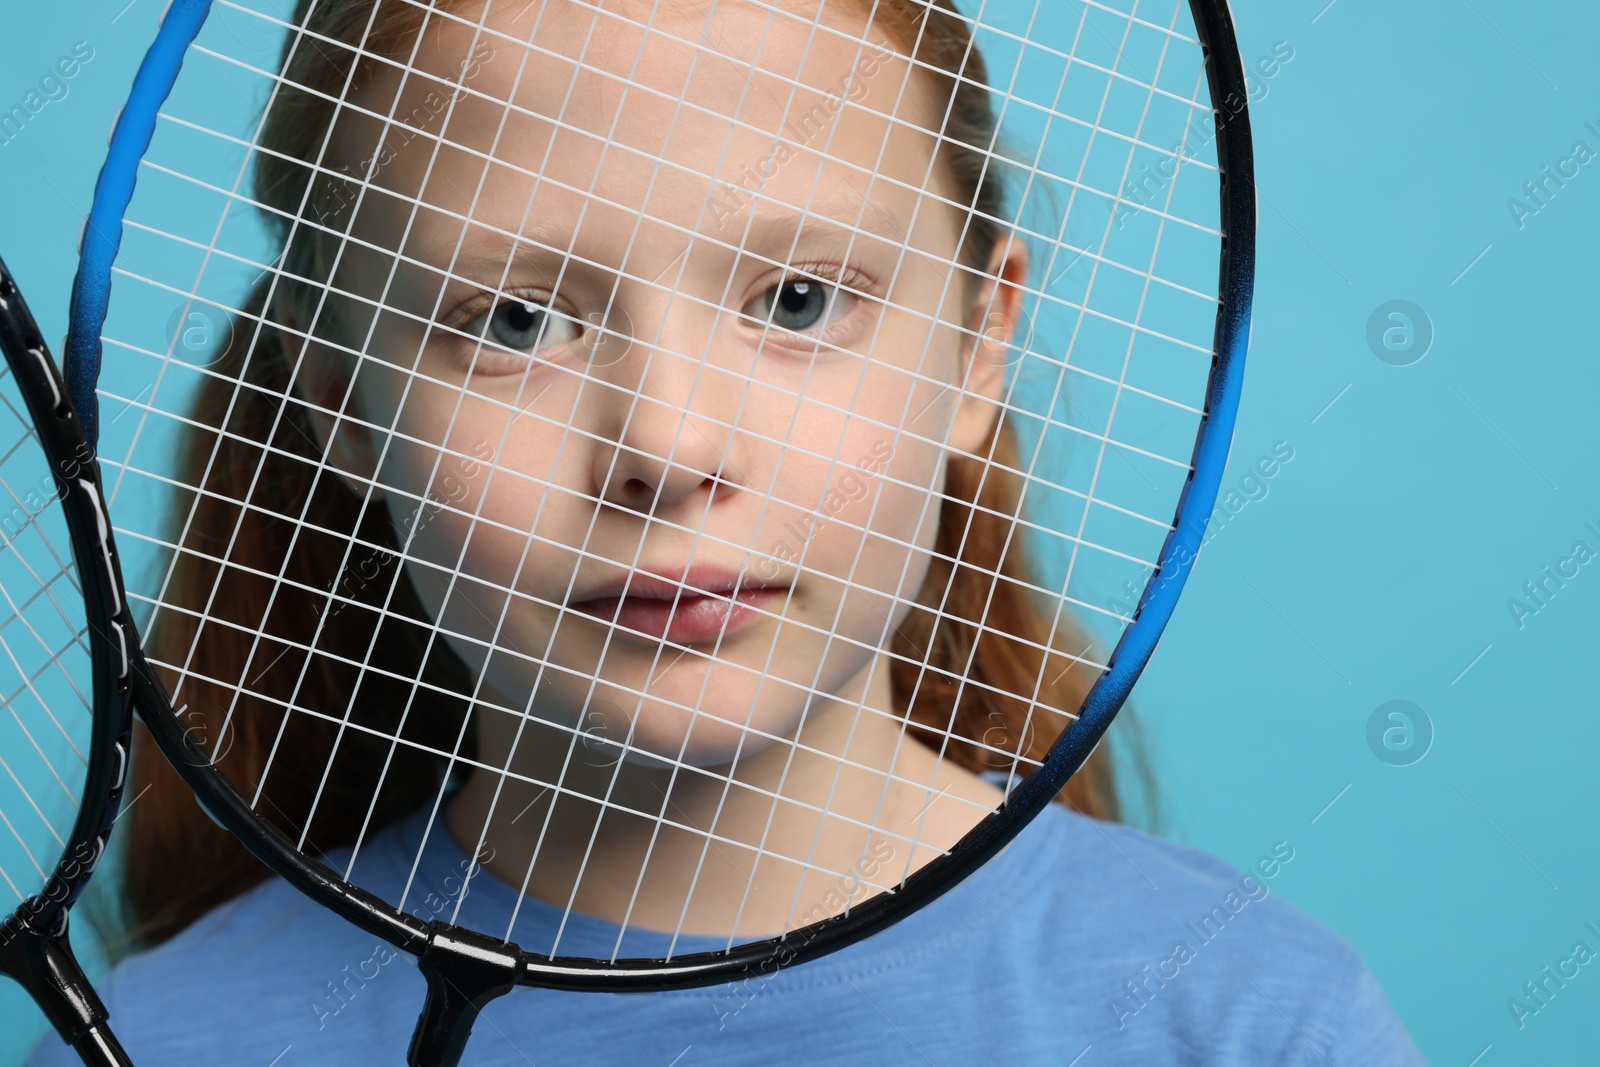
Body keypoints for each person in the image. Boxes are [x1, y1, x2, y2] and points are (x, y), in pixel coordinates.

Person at [31, 0, 1424, 1062]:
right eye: (513, 323)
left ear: (979, 342)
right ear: (341, 408)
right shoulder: (164, 1043)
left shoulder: (1249, 1025)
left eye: (801, 300)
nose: (670, 448)